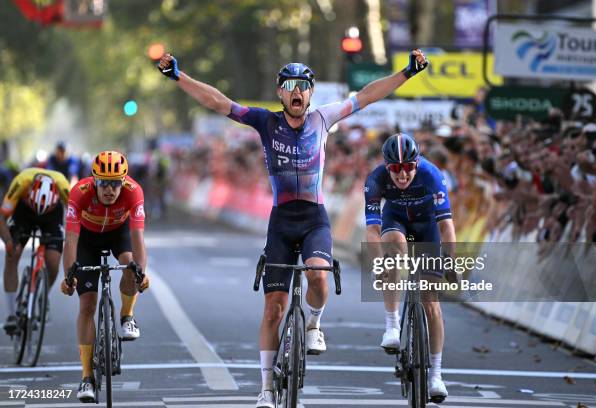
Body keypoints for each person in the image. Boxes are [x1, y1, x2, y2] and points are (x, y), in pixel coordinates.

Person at [158, 49, 429, 407]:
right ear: (280, 93)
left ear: (311, 92)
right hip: (281, 222)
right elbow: (218, 101)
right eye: (289, 85)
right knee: (273, 307)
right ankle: (267, 387)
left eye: (303, 85)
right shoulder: (264, 122)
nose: (296, 91)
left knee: (318, 276)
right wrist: (180, 77)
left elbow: (366, 96)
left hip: (315, 217)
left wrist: (406, 73)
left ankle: (314, 323)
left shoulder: (323, 118)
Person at [364, 133, 455, 402]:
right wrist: (378, 261)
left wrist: (449, 258)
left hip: (428, 227)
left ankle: (436, 375)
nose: (402, 175)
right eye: (395, 169)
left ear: (417, 164)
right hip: (396, 223)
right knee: (394, 245)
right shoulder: (375, 180)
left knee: (431, 302)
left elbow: (446, 224)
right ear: (386, 166)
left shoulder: (432, 175)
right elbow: (372, 229)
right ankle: (392, 325)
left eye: (407, 168)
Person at [59, 150, 150, 402]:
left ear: (123, 182)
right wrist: (69, 276)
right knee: (87, 304)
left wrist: (141, 272)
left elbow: (138, 238)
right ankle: (87, 377)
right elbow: (71, 240)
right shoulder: (79, 193)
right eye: (104, 183)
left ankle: (126, 316)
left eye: (115, 184)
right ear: (94, 181)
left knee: (131, 266)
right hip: (86, 239)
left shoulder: (134, 191)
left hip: (117, 233)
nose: (110, 189)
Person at [0, 168, 70, 333]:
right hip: (24, 212)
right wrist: (8, 241)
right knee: (13, 255)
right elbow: (2, 218)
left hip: (52, 216)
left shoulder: (64, 186)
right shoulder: (20, 182)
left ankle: (42, 295)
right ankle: (10, 314)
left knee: (53, 262)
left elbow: (79, 218)